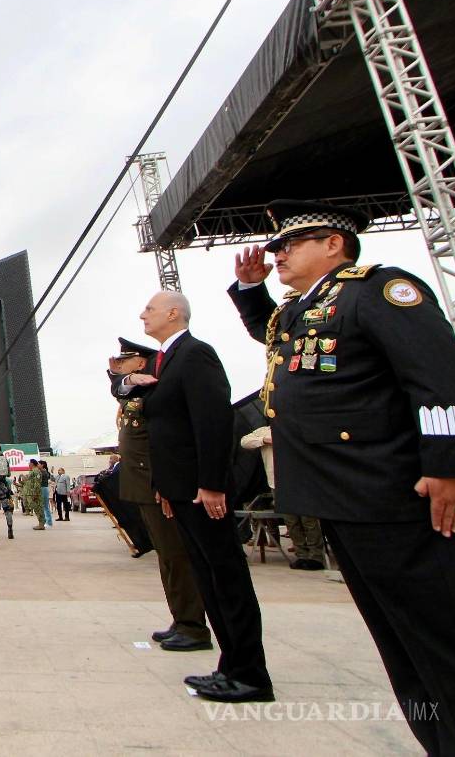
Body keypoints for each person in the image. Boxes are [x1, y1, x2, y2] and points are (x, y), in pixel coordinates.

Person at [228, 199, 455, 751]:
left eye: (291, 244)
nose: (278, 254)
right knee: (401, 645)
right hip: (341, 497)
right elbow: (280, 340)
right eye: (277, 247)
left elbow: (441, 376)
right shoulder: (306, 308)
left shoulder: (376, 291)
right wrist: (251, 291)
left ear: (333, 244)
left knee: (442, 642)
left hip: (390, 495)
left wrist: (449, 467)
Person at [132, 291, 272, 703]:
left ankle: (250, 674)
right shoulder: (166, 360)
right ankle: (231, 667)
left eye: (150, 308)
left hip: (202, 491)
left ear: (173, 313)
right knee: (209, 578)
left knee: (226, 578)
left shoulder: (196, 354)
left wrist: (211, 484)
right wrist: (164, 486)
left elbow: (213, 423)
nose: (143, 314)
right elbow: (168, 429)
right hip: (180, 490)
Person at [109, 337, 212, 652]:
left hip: (156, 485)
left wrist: (165, 485)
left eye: (124, 360)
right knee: (166, 557)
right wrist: (121, 375)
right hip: (143, 485)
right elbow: (117, 386)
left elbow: (164, 442)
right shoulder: (136, 389)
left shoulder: (156, 389)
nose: (118, 365)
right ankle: (181, 620)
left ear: (141, 362)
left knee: (176, 556)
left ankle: (193, 627)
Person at [23, 460, 44, 530]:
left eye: (29, 463)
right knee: (36, 508)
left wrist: (35, 493)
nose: (28, 464)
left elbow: (37, 483)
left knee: (38, 508)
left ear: (32, 464)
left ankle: (41, 524)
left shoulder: (36, 471)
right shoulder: (32, 471)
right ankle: (41, 523)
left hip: (35, 493)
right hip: (32, 493)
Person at [38, 460, 54, 528]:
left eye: (38, 464)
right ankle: (46, 521)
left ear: (42, 465)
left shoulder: (43, 472)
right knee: (44, 506)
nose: (37, 465)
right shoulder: (43, 471)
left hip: (43, 488)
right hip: (43, 488)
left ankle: (49, 522)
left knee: (45, 506)